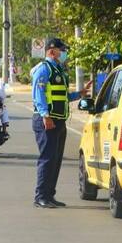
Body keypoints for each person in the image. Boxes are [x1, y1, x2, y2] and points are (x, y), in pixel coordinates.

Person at [31, 37, 91, 209]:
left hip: (59, 120)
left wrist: (79, 94)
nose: (64, 53)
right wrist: (45, 115)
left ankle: (50, 195)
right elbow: (38, 94)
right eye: (61, 49)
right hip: (46, 120)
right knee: (47, 158)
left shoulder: (59, 70)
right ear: (51, 51)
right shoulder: (44, 69)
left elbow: (62, 96)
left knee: (56, 159)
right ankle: (40, 196)